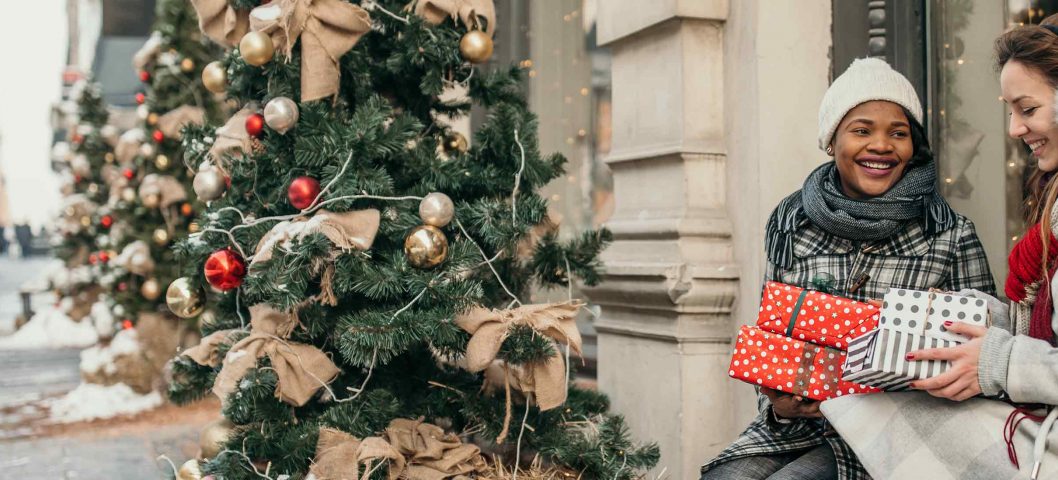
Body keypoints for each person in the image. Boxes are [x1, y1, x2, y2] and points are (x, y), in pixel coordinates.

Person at [699, 58, 996, 480]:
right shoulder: (792, 225)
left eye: (899, 133)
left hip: (895, 434)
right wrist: (778, 403)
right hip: (799, 429)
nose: (882, 145)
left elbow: (983, 351)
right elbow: (771, 338)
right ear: (831, 140)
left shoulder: (947, 232)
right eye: (862, 130)